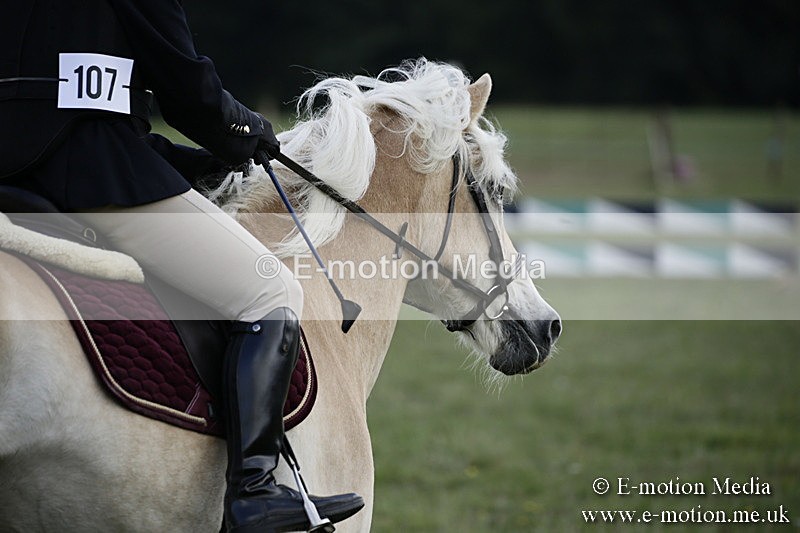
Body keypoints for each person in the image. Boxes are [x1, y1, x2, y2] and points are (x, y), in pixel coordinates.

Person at [0, 1, 364, 531]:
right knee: (271, 291)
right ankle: (256, 490)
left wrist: (194, 163)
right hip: (88, 174)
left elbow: (71, 98)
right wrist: (246, 131)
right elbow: (186, 89)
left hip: (17, 175)